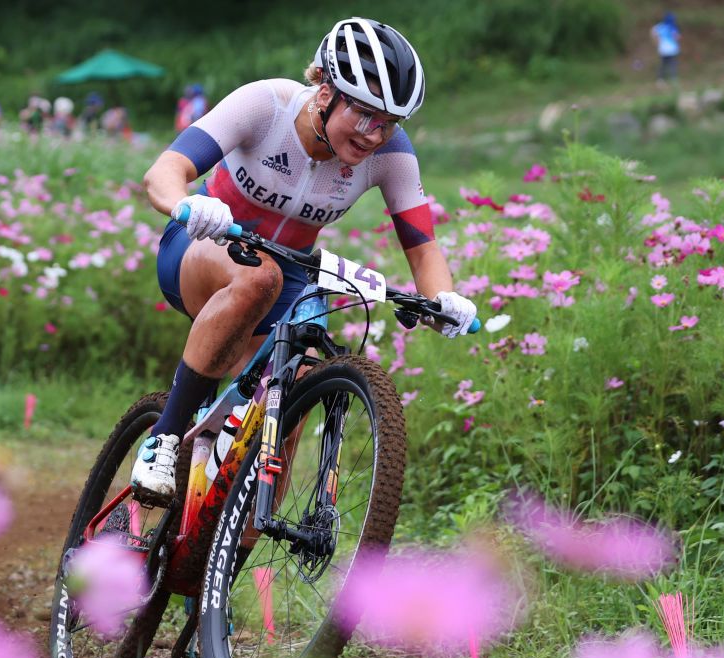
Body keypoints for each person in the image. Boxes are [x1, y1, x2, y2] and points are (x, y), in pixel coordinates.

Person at [130, 17, 477, 501]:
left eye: (389, 122)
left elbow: (423, 248)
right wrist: (189, 203)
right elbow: (165, 170)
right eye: (363, 114)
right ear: (324, 91)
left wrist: (444, 299)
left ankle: (226, 552)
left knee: (291, 395)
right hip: (200, 251)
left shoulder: (391, 154)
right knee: (260, 277)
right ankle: (163, 436)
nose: (374, 134)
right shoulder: (266, 105)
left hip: (286, 273)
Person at [651, 12, 681, 84]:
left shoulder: (660, 27)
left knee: (663, 64)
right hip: (672, 49)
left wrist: (656, 42)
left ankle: (660, 79)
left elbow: (653, 32)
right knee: (672, 64)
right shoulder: (673, 27)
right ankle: (673, 79)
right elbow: (677, 37)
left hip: (663, 49)